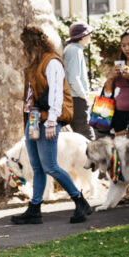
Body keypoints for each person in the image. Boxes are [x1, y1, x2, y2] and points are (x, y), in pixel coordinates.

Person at [11, 25, 93, 226]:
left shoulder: (51, 62)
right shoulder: (34, 64)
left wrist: (51, 121)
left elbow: (56, 93)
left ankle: (80, 200)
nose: (23, 49)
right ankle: (35, 208)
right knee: (38, 166)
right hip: (33, 120)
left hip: (47, 119)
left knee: (50, 166)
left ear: (33, 43)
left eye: (25, 45)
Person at [103, 25, 129, 137]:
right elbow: (108, 93)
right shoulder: (120, 64)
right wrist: (110, 79)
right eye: (123, 45)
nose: (126, 49)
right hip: (119, 115)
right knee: (121, 151)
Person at [63, 22, 94, 140]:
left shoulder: (74, 49)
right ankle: (97, 158)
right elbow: (73, 78)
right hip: (76, 98)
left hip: (74, 97)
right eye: (89, 34)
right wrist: (84, 96)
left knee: (81, 133)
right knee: (86, 134)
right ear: (82, 36)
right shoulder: (74, 51)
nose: (90, 36)